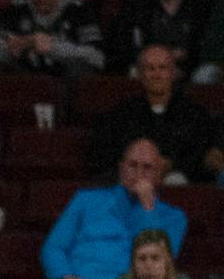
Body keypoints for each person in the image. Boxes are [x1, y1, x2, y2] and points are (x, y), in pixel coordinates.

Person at [42, 138, 186, 279]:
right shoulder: (85, 199)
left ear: (159, 175)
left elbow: (157, 264)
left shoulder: (174, 218)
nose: (138, 173)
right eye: (132, 165)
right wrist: (67, 277)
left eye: (147, 168)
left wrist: (147, 209)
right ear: (122, 169)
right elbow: (54, 247)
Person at [86, 44, 215, 180]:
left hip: (178, 182)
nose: (156, 74)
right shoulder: (122, 114)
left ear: (173, 73)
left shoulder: (195, 114)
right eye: (150, 68)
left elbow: (202, 155)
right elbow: (102, 154)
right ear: (140, 74)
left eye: (162, 68)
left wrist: (171, 165)